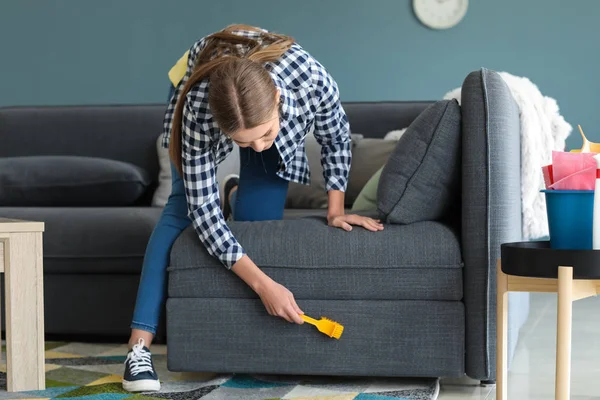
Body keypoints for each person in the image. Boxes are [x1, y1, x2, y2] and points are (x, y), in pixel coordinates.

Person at [122, 24, 384, 392]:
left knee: (258, 226)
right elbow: (202, 214)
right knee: (181, 210)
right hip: (198, 73)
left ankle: (233, 196)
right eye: (244, 141)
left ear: (278, 98)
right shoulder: (198, 108)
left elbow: (335, 137)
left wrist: (336, 209)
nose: (259, 148)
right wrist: (263, 286)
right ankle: (138, 347)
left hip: (257, 81)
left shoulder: (309, 79)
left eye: (266, 134)